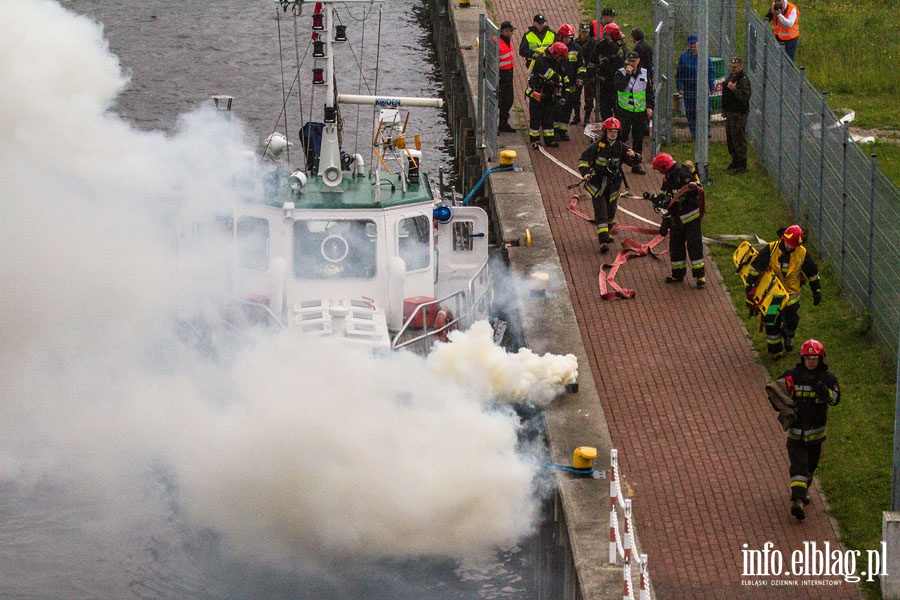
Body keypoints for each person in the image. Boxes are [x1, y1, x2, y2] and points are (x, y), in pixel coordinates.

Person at [771, 339, 840, 521]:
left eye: (814, 358)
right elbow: (774, 390)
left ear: (821, 359)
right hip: (796, 434)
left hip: (816, 436)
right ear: (802, 359)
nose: (811, 361)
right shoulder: (792, 376)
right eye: (808, 358)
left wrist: (822, 390)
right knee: (799, 467)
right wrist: (781, 406)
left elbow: (835, 400)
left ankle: (803, 492)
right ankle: (798, 501)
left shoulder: (828, 379)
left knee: (810, 467)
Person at [744, 225, 821, 357]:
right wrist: (750, 283)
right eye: (789, 244)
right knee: (771, 320)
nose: (790, 247)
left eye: (793, 246)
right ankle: (776, 350)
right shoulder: (771, 249)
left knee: (791, 322)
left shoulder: (802, 253)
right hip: (773, 295)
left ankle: (787, 336)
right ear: (782, 238)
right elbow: (756, 266)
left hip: (791, 297)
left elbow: (812, 273)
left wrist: (817, 290)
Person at [577, 117, 642, 252]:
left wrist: (634, 156)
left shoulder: (621, 147)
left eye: (615, 131)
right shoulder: (597, 146)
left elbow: (634, 163)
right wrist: (586, 173)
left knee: (611, 211)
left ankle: (608, 231)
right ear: (605, 132)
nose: (613, 134)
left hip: (614, 185)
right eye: (610, 131)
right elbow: (583, 160)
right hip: (598, 185)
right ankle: (603, 241)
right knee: (601, 212)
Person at [651, 152, 706, 288]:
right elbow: (667, 197)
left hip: (690, 219)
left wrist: (693, 185)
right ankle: (678, 274)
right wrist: (664, 213)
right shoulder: (668, 178)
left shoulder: (682, 175)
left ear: (664, 167)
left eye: (659, 169)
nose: (659, 172)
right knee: (676, 248)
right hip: (676, 220)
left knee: (694, 247)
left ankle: (700, 276)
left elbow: (697, 188)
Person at [614, 51, 653, 174]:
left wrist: (650, 106)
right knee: (622, 137)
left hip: (639, 112)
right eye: (629, 61)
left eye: (633, 61)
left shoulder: (645, 73)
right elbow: (619, 87)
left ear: (638, 61)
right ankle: (617, 163)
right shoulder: (620, 73)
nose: (631, 63)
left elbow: (649, 91)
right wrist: (628, 75)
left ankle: (636, 164)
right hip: (624, 111)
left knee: (638, 139)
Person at [525, 41, 569, 148]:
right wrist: (559, 80)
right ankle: (535, 141)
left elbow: (562, 74)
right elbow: (551, 75)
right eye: (560, 57)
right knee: (536, 118)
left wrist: (565, 83)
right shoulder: (541, 61)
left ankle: (549, 140)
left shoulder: (555, 61)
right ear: (555, 54)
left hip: (548, 93)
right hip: (537, 94)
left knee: (548, 117)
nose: (561, 59)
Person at [676, 35, 715, 138]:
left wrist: (711, 86)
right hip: (689, 89)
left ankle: (706, 131)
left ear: (698, 44)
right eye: (691, 43)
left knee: (705, 110)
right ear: (688, 44)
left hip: (701, 88)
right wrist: (680, 86)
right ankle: (694, 132)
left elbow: (710, 72)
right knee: (690, 110)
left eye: (694, 43)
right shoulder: (683, 57)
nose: (693, 45)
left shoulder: (704, 57)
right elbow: (679, 73)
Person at [589, 21, 626, 122]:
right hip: (604, 82)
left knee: (618, 108)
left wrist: (611, 43)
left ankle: (620, 130)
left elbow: (621, 56)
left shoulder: (620, 45)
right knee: (605, 108)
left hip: (617, 82)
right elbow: (592, 61)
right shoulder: (600, 46)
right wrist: (592, 75)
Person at [554, 23, 585, 141]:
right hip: (558, 84)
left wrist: (580, 78)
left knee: (568, 107)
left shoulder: (576, 49)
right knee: (556, 107)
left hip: (571, 84)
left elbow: (581, 66)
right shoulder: (555, 47)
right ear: (560, 37)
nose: (567, 39)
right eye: (565, 37)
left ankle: (563, 130)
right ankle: (555, 131)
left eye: (569, 37)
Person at [722, 56, 751, 172]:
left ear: (740, 67)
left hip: (738, 113)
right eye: (731, 67)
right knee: (731, 138)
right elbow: (725, 94)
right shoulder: (730, 77)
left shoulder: (743, 80)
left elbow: (745, 97)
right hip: (730, 112)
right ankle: (734, 160)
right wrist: (723, 109)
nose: (733, 69)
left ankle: (742, 163)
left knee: (738, 138)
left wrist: (735, 90)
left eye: (735, 67)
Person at [573, 23, 596, 124]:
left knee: (589, 97)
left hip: (589, 74)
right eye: (583, 32)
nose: (584, 34)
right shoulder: (575, 43)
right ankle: (577, 116)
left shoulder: (593, 43)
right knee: (575, 96)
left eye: (586, 32)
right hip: (578, 73)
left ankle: (586, 118)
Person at [497, 21, 517, 133]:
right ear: (504, 31)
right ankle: (500, 124)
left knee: (508, 100)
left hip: (508, 74)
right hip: (501, 75)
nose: (512, 33)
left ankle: (503, 123)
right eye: (510, 31)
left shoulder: (507, 41)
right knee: (500, 101)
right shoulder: (497, 43)